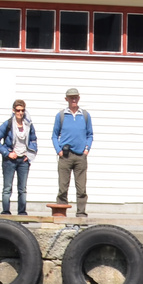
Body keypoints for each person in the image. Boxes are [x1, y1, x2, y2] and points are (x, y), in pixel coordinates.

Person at [52, 88, 93, 219]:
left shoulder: (85, 115)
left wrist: (87, 149)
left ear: (79, 98)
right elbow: (54, 135)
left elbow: (90, 134)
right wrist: (58, 150)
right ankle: (61, 215)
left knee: (81, 189)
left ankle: (81, 214)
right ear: (66, 99)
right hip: (65, 155)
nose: (73, 100)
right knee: (63, 188)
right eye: (71, 98)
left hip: (81, 156)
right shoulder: (61, 115)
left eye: (75, 97)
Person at [0, 100, 36, 215]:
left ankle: (22, 213)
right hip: (10, 160)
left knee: (22, 189)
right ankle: (6, 211)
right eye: (18, 110)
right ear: (13, 110)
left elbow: (33, 140)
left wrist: (29, 155)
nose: (20, 113)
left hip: (23, 161)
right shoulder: (8, 124)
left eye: (22, 110)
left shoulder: (28, 124)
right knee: (7, 188)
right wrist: (7, 153)